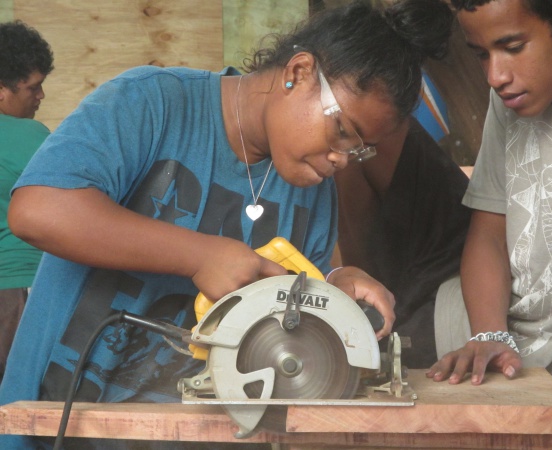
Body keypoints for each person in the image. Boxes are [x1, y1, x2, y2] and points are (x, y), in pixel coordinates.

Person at [0, 0, 454, 448]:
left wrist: (335, 281)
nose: (342, 159)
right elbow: (38, 209)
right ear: (298, 73)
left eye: (359, 149)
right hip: (55, 425)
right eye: (342, 131)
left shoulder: (312, 191)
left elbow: (288, 316)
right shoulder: (154, 103)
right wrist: (199, 255)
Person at [427, 0, 552, 386]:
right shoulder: (508, 103)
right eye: (481, 55)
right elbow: (489, 234)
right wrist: (490, 334)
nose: (494, 75)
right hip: (479, 334)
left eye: (512, 47)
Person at [335, 116, 472, 368]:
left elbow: (359, 272)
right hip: (417, 286)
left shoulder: (352, 143)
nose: (337, 158)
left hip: (440, 298)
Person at [0, 20, 54, 384]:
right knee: (25, 402)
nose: (40, 97)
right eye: (32, 88)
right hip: (20, 288)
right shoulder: (29, 135)